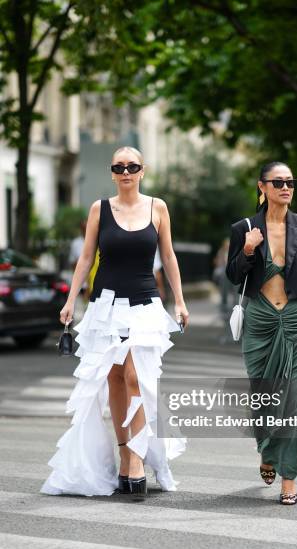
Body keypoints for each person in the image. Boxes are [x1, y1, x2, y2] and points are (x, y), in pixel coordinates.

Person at [41, 146, 189, 499]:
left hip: (143, 304)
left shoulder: (158, 208)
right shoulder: (99, 209)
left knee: (137, 375)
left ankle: (137, 457)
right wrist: (70, 299)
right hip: (105, 305)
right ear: (112, 172)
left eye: (132, 166)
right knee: (114, 378)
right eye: (119, 166)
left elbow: (167, 256)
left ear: (142, 171)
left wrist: (180, 301)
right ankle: (124, 453)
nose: (126, 172)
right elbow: (86, 257)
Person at [226, 161, 297, 505]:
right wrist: (247, 250)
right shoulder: (244, 228)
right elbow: (232, 275)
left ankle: (289, 477)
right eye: (278, 182)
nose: (286, 187)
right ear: (263, 187)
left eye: (290, 181)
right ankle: (267, 450)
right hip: (260, 321)